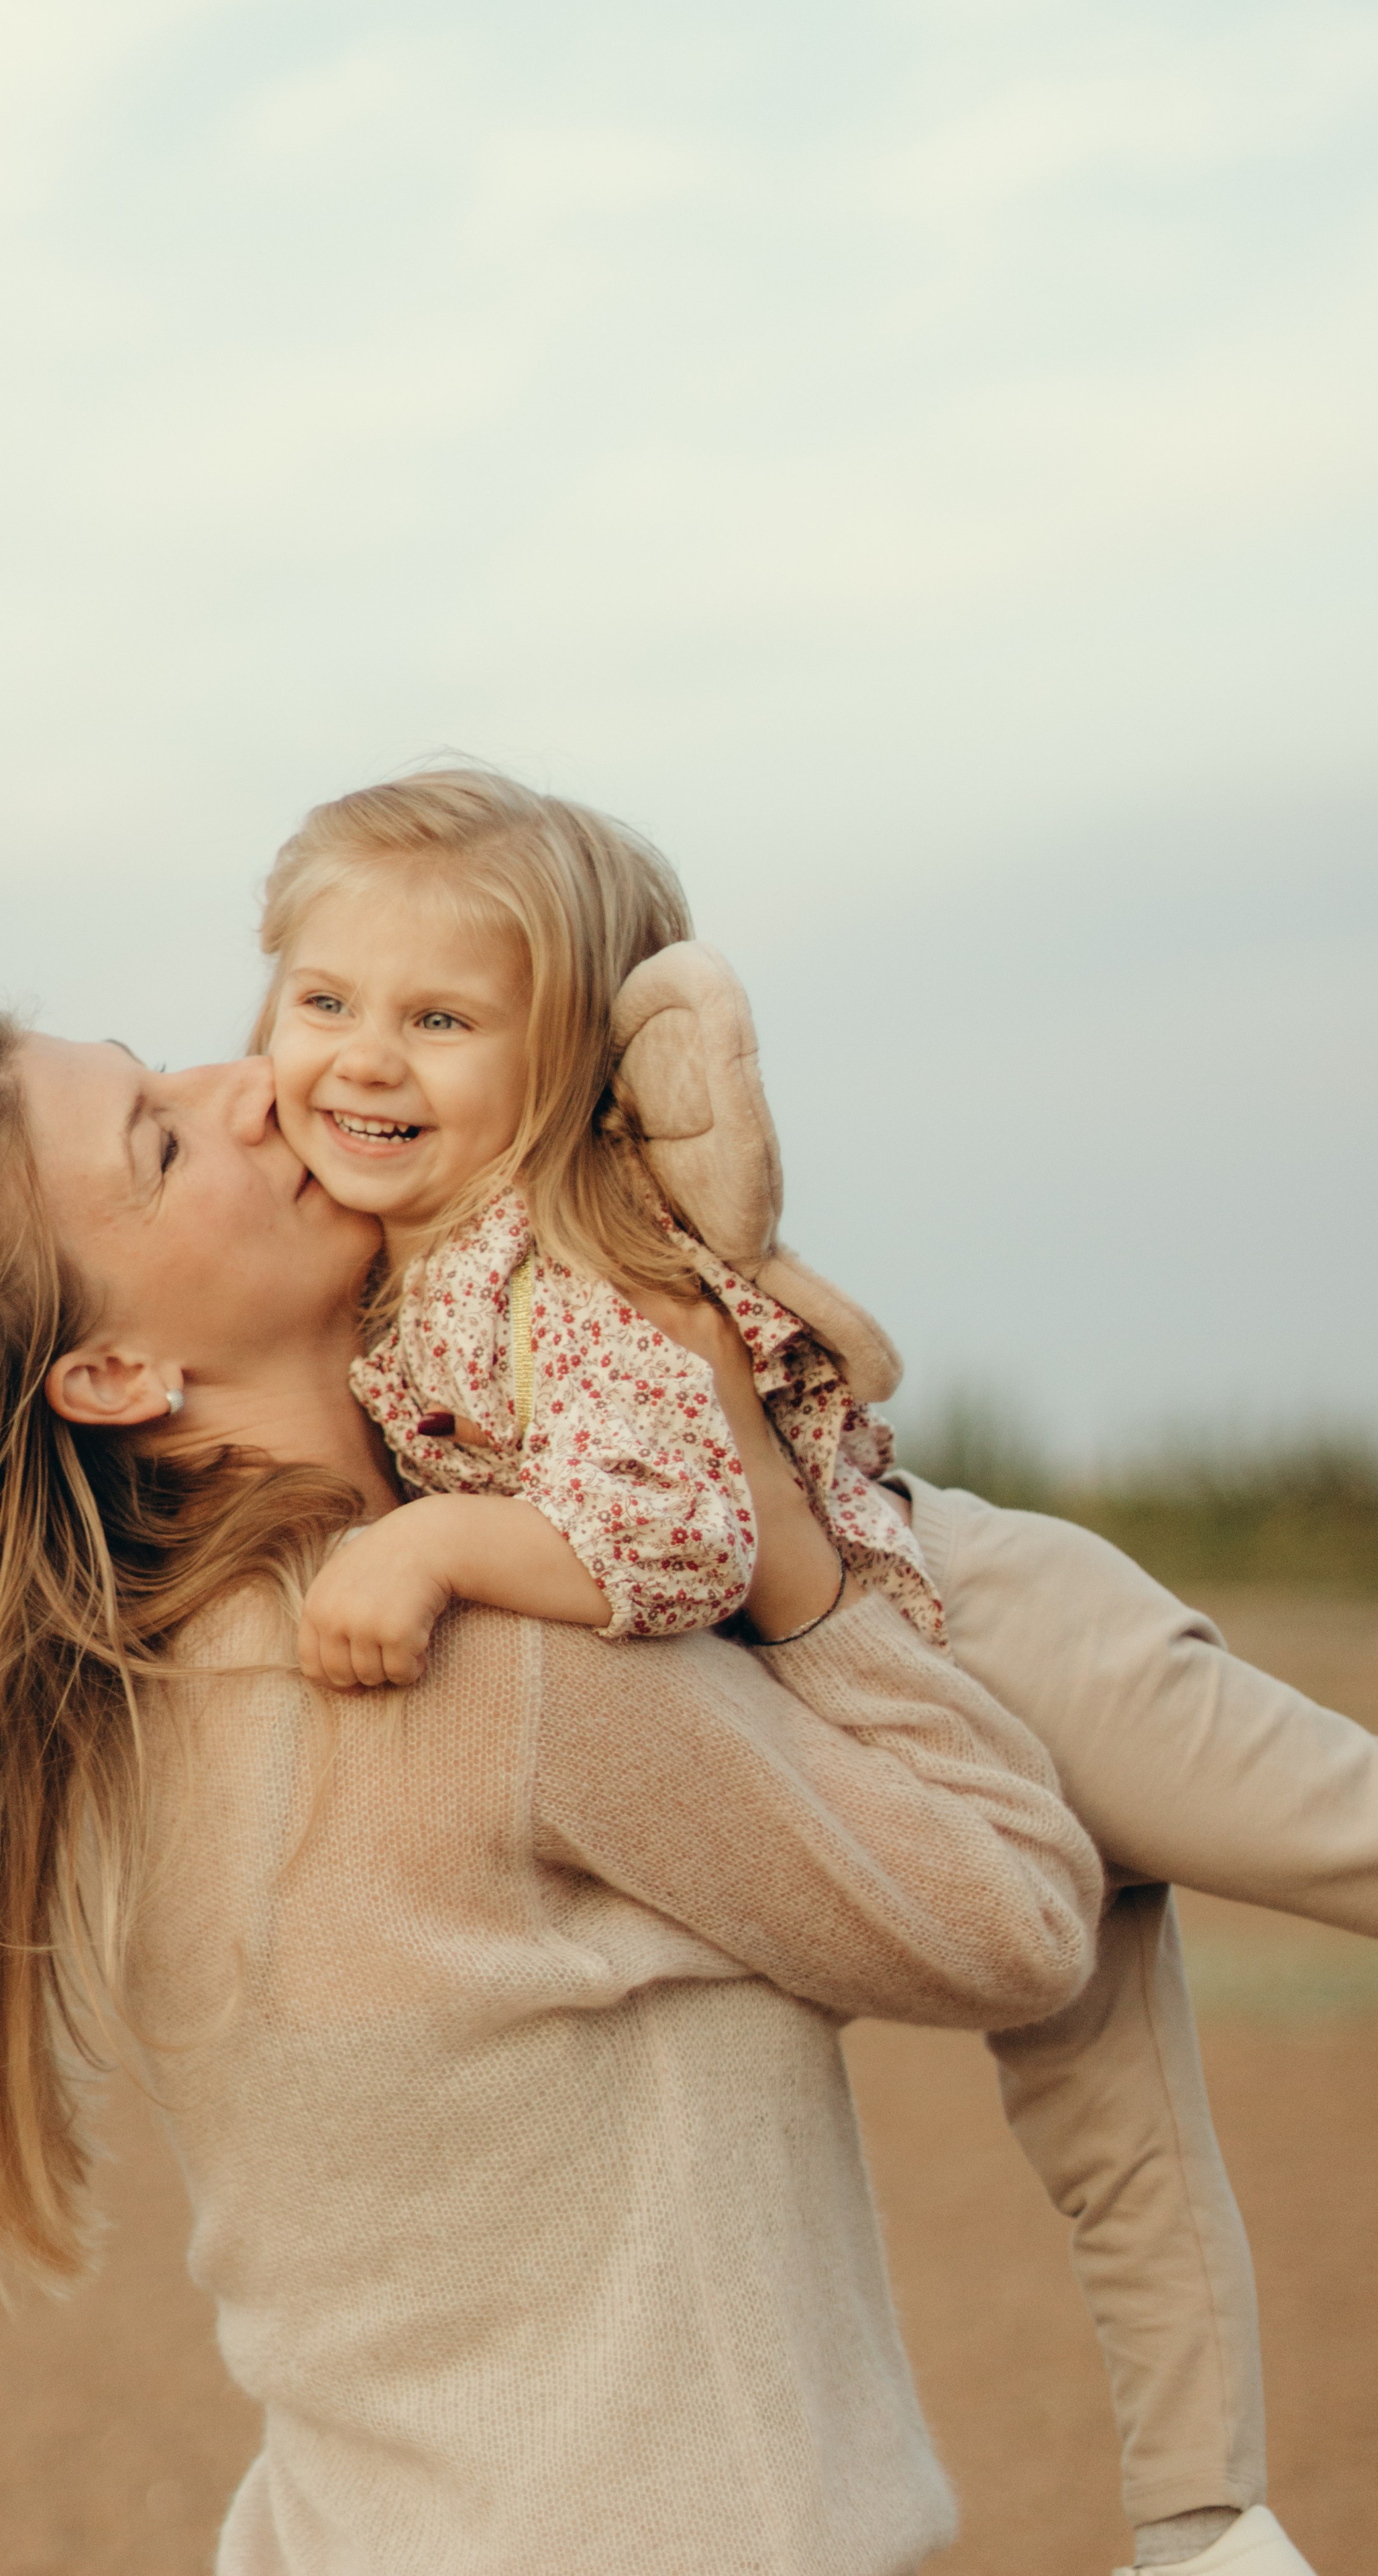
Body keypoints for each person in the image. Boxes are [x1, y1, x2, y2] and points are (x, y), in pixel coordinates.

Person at [0, 1005, 1104, 2576]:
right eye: (158, 1137)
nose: (253, 1086)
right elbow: (1014, 1912)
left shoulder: (133, 1724)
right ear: (115, 1370)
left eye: (169, 1064)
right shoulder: (488, 1674)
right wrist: (784, 1534)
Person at [248, 765, 1363, 2575]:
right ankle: (1206, 2528)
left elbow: (681, 1543)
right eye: (325, 1003)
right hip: (897, 1745)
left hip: (986, 1630)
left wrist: (436, 1540)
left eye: (442, 1020)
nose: (365, 1061)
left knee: (1348, 1838)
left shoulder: (564, 1263)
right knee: (1110, 2140)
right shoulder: (388, 1272)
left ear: (562, 1070)